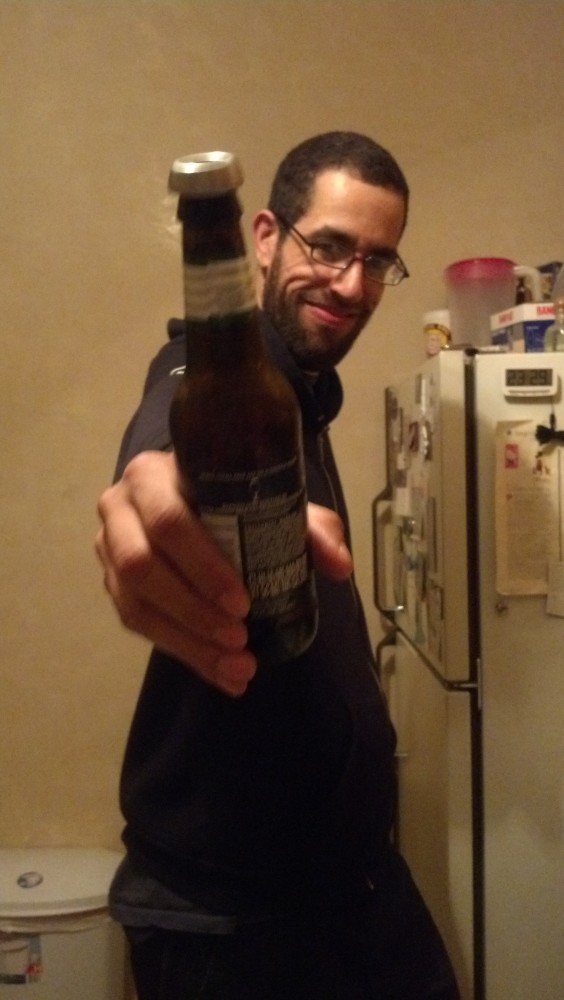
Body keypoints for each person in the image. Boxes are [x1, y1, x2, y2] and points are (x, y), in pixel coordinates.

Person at [96, 131, 460, 1000]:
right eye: (329, 246)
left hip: (350, 883)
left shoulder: (304, 396)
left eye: (378, 260)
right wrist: (150, 498)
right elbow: (167, 428)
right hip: (234, 924)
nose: (353, 284)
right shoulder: (220, 375)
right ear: (264, 238)